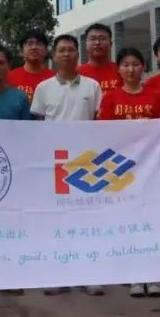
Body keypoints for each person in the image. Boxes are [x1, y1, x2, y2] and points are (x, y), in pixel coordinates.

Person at [32, 34, 104, 297]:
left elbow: (100, 121)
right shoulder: (43, 88)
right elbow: (38, 126)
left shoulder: (93, 86)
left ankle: (88, 274)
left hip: (86, 162)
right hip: (55, 164)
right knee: (57, 220)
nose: (66, 54)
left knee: (85, 219)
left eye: (71, 50)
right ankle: (58, 274)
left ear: (78, 54)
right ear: (54, 56)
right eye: (61, 50)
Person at [96, 47, 160, 299]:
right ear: (118, 69)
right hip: (121, 171)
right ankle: (134, 274)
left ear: (143, 67)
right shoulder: (111, 97)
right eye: (125, 64)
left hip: (150, 169)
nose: (131, 69)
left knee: (150, 221)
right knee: (128, 222)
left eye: (136, 64)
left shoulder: (155, 96)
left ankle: (153, 275)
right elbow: (103, 134)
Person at [6, 30, 55, 103]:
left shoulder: (55, 79)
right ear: (21, 51)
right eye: (30, 43)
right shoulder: (8, 78)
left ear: (46, 50)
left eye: (39, 43)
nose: (34, 47)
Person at [78, 23, 122, 93]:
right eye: (92, 39)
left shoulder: (122, 71)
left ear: (111, 44)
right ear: (86, 45)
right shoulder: (77, 74)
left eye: (102, 39)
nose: (97, 43)